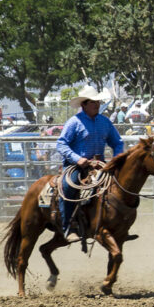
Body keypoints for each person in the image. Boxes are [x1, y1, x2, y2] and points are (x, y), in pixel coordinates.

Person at [55, 86, 124, 243]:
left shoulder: (104, 122)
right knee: (67, 186)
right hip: (77, 166)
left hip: (99, 164)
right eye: (93, 102)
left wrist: (116, 159)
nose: (97, 105)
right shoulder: (74, 122)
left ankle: (114, 222)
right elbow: (61, 144)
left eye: (98, 102)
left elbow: (117, 142)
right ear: (83, 105)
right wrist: (77, 158)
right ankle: (68, 227)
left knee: (117, 186)